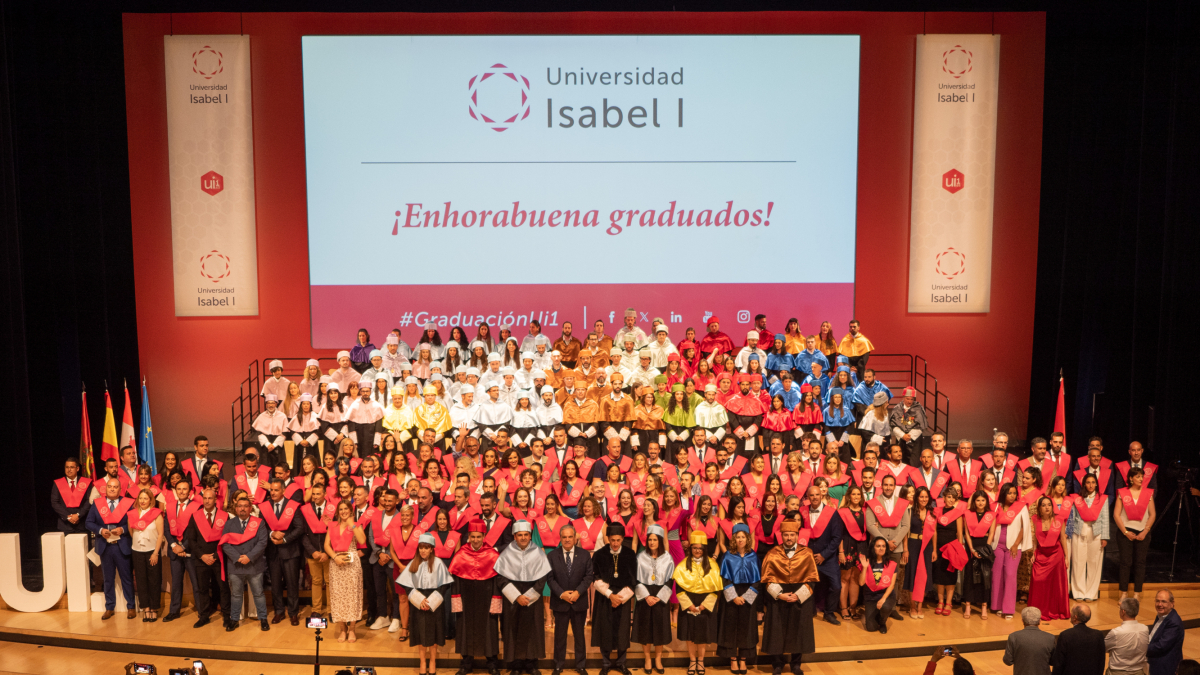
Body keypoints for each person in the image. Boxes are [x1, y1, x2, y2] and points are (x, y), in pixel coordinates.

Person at [759, 520, 818, 675]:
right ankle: (777, 664)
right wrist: (780, 595)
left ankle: (796, 664)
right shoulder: (772, 554)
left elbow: (812, 580)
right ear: (781, 536)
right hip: (779, 597)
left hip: (800, 596)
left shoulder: (807, 553)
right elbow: (767, 580)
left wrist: (798, 595)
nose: (789, 538)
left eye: (792, 535)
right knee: (777, 631)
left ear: (797, 535)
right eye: (786, 535)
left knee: (798, 630)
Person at [449, 520, 503, 675]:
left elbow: (497, 581)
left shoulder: (492, 555)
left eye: (478, 537)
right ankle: (466, 664)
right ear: (469, 537)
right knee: (465, 629)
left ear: (484, 536)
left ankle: (492, 663)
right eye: (473, 537)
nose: (475, 540)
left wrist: (496, 600)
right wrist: (456, 600)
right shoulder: (461, 554)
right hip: (466, 598)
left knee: (489, 628)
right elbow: (455, 581)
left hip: (487, 597)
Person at [398, 534, 453, 675]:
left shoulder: (438, 563)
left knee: (434, 633)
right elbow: (407, 585)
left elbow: (444, 585)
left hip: (434, 602)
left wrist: (432, 601)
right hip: (418, 602)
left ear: (431, 549)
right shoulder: (413, 563)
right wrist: (418, 599)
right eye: (421, 548)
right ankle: (422, 661)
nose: (423, 551)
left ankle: (432, 661)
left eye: (426, 548)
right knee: (420, 633)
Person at [674, 530, 724, 675]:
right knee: (690, 634)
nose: (697, 551)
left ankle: (701, 661)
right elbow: (679, 588)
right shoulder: (683, 564)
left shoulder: (712, 565)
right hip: (688, 603)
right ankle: (692, 660)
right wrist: (688, 605)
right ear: (691, 548)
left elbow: (715, 589)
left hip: (705, 604)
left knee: (703, 635)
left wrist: (704, 605)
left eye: (700, 548)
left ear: (704, 549)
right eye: (695, 548)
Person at [592, 523, 638, 675]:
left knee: (623, 631)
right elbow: (595, 577)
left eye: (618, 540)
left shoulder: (630, 554)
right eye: (612, 540)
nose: (615, 543)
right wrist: (610, 595)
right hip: (605, 597)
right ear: (608, 538)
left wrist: (620, 598)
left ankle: (621, 663)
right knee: (605, 630)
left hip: (623, 597)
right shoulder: (599, 554)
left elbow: (634, 580)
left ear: (623, 538)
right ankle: (605, 663)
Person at [87, 478, 136, 620]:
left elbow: (134, 522)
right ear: (105, 488)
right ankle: (109, 607)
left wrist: (123, 529)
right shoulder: (97, 504)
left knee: (127, 578)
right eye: (110, 486)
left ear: (120, 489)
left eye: (115, 487)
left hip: (122, 546)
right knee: (108, 579)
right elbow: (89, 523)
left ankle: (131, 607)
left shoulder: (128, 503)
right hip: (105, 546)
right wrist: (100, 530)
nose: (112, 489)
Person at [547, 523, 592, 675]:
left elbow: (588, 576)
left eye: (570, 537)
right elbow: (550, 579)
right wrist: (562, 594)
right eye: (564, 537)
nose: (567, 540)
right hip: (560, 602)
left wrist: (578, 592)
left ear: (575, 538)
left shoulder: (585, 555)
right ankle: (558, 665)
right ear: (560, 538)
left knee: (579, 636)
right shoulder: (552, 556)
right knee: (559, 637)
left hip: (579, 601)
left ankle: (581, 665)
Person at [221, 495, 270, 631]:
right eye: (240, 506)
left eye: (245, 506)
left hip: (254, 565)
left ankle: (263, 619)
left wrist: (249, 557)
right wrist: (237, 557)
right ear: (236, 508)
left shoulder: (259, 523)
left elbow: (262, 542)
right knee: (236, 595)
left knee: (258, 594)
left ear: (250, 508)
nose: (242, 509)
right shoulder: (229, 524)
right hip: (235, 565)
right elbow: (225, 544)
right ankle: (234, 619)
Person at [184, 486, 231, 629]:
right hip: (201, 559)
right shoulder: (195, 516)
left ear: (216, 500)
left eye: (210, 498)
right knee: (202, 589)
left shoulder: (224, 516)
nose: (207, 501)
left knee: (223, 588)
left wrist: (216, 555)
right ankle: (204, 616)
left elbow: (227, 539)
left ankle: (227, 616)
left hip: (219, 558)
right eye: (205, 498)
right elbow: (191, 540)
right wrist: (202, 556)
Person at [261, 478, 305, 625]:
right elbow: (261, 527)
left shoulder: (292, 506)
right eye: (271, 490)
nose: (273, 493)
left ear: (284, 491)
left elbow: (300, 528)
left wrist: (285, 539)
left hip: (290, 551)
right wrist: (271, 534)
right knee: (275, 584)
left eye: (276, 490)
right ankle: (279, 612)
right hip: (273, 551)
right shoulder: (265, 506)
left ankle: (293, 613)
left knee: (292, 584)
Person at [633, 524, 674, 674]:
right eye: (649, 539)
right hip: (645, 595)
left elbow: (670, 579)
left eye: (655, 540)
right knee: (645, 628)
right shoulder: (640, 557)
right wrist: (646, 596)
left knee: (660, 628)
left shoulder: (667, 558)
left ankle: (658, 658)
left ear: (660, 541)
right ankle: (647, 658)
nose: (652, 542)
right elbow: (635, 579)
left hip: (660, 596)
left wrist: (660, 597)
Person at [325, 499, 367, 642]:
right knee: (338, 597)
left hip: (352, 564)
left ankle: (352, 629)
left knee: (352, 597)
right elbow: (326, 545)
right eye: (341, 509)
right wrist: (335, 557)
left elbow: (362, 541)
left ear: (351, 511)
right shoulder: (332, 525)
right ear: (338, 512)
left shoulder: (356, 525)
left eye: (346, 509)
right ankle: (342, 629)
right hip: (336, 563)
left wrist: (352, 524)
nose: (343, 511)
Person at [1113, 466, 1156, 600]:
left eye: (1142, 476)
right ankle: (1123, 593)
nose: (1141, 479)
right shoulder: (1122, 493)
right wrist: (1125, 532)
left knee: (1140, 563)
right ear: (1131, 478)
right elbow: (1116, 514)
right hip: (1125, 532)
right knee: (1125, 563)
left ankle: (1137, 594)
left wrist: (1145, 531)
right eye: (1138, 476)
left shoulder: (1148, 493)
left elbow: (1152, 514)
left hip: (1143, 532)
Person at [991, 484, 1031, 620]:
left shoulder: (1021, 507)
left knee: (1010, 575)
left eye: (1014, 493)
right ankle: (997, 605)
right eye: (1009, 493)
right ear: (1004, 494)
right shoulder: (996, 506)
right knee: (997, 575)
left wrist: (1015, 544)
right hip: (997, 545)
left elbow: (1024, 528)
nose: (1012, 496)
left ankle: (1008, 609)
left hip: (1013, 546)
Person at [1066, 473, 1108, 601]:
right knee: (1078, 562)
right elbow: (1072, 517)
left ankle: (1091, 593)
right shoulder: (1077, 498)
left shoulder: (1102, 499)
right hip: (1079, 531)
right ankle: (1078, 592)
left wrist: (1105, 537)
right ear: (1084, 484)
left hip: (1096, 533)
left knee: (1094, 563)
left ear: (1096, 484)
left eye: (1093, 482)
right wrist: (1069, 534)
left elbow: (1105, 519)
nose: (1091, 485)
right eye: (1088, 482)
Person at [1027, 496, 1070, 621]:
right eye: (1044, 505)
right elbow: (1035, 539)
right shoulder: (1035, 519)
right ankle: (1038, 610)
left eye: (1049, 505)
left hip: (1056, 554)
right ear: (1039, 508)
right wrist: (1034, 553)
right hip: (1041, 553)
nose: (1047, 507)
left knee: (1055, 584)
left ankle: (1054, 610)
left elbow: (1062, 539)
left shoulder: (1059, 520)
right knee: (1038, 579)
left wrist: (1066, 557)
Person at [128, 488, 165, 622]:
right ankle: (146, 608)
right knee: (141, 581)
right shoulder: (132, 514)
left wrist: (155, 553)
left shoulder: (156, 514)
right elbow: (131, 532)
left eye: (145, 498)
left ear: (150, 500)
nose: (142, 501)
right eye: (140, 498)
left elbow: (160, 534)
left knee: (154, 580)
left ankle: (154, 608)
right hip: (137, 551)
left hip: (152, 551)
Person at [930, 484, 965, 617]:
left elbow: (960, 534)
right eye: (948, 497)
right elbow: (934, 531)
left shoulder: (958, 514)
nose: (951, 500)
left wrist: (958, 551)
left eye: (953, 498)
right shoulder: (937, 511)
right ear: (944, 497)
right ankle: (940, 602)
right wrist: (934, 550)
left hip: (952, 548)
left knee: (950, 576)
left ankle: (948, 602)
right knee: (939, 575)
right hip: (939, 547)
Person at [903, 487, 935, 619]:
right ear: (916, 497)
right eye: (921, 496)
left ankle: (920, 606)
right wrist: (905, 549)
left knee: (924, 575)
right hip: (913, 545)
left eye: (926, 497)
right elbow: (905, 531)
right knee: (912, 574)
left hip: (927, 546)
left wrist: (934, 550)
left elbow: (934, 532)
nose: (924, 499)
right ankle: (912, 606)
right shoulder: (909, 511)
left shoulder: (932, 513)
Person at [961, 490, 994, 619]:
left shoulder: (991, 515)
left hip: (985, 547)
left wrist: (986, 549)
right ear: (974, 501)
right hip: (972, 546)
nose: (980, 503)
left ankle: (984, 606)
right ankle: (968, 605)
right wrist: (971, 549)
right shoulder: (968, 514)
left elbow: (991, 533)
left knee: (985, 577)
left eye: (983, 500)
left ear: (986, 501)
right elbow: (966, 533)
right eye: (978, 500)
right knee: (969, 576)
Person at [1050, 604, 1106, 675]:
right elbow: (1101, 662)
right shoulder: (1098, 635)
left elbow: (1058, 663)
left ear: (1075, 617)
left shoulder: (1065, 635)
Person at [859, 536, 898, 634]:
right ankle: (876, 614)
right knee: (871, 628)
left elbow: (892, 585)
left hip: (886, 595)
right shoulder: (867, 562)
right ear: (873, 548)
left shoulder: (891, 564)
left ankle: (882, 622)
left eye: (883, 546)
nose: (881, 548)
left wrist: (883, 599)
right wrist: (865, 567)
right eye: (878, 546)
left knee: (885, 606)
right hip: (871, 596)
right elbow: (861, 583)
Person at [1002, 607, 1055, 675]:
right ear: (1040, 621)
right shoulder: (1050, 638)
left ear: (1022, 621)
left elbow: (1008, 661)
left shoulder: (1014, 636)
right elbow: (1054, 661)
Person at [1105, 598, 1149, 675]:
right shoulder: (1145, 629)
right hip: (1139, 672)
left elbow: (1103, 648)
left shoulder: (1116, 633)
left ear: (1123, 612)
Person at [1148, 590, 1185, 675]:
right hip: (1157, 665)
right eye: (1157, 601)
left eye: (1163, 601)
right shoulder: (1162, 616)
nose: (1159, 604)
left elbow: (1161, 646)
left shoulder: (1174, 622)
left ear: (1172, 604)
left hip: (1166, 668)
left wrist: (1140, 648)